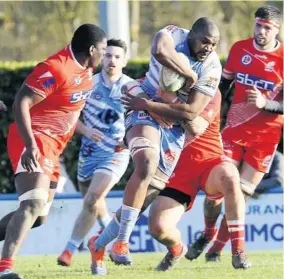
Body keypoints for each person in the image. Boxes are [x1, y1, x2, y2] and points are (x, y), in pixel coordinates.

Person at [87, 17, 222, 275]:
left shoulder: (213, 66)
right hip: (141, 100)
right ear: (191, 34)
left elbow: (192, 111)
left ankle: (98, 244)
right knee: (146, 163)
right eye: (205, 41)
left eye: (213, 44)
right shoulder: (173, 34)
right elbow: (159, 50)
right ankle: (122, 243)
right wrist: (187, 73)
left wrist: (152, 106)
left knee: (145, 199)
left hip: (170, 123)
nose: (208, 48)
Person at [0, 24, 107, 279]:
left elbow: (67, 111)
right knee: (33, 202)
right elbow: (21, 102)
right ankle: (5, 269)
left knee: (38, 217)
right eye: (103, 50)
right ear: (91, 49)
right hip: (33, 140)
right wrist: (30, 145)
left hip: (53, 148)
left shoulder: (88, 71)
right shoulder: (56, 67)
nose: (105, 54)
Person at [188, 5, 283, 263]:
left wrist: (267, 105)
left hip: (265, 139)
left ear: (277, 29)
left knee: (240, 194)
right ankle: (208, 233)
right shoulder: (240, 49)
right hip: (233, 131)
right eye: (258, 26)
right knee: (216, 191)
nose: (261, 32)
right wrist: (207, 115)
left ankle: (219, 249)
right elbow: (222, 87)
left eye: (267, 28)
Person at [138, 88, 250, 270]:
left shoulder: (209, 88)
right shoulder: (155, 85)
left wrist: (170, 101)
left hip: (209, 161)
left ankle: (238, 251)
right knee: (158, 228)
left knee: (230, 177)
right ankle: (177, 249)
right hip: (176, 169)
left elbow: (195, 127)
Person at [57, 39, 132, 267]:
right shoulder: (86, 83)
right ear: (101, 57)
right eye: (108, 55)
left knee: (93, 198)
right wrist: (86, 130)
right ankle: (102, 244)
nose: (112, 60)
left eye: (117, 56)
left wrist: (128, 139)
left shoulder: (131, 88)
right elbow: (68, 116)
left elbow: (142, 118)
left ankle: (69, 251)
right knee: (93, 204)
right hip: (88, 155)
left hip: (115, 154)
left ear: (124, 60)